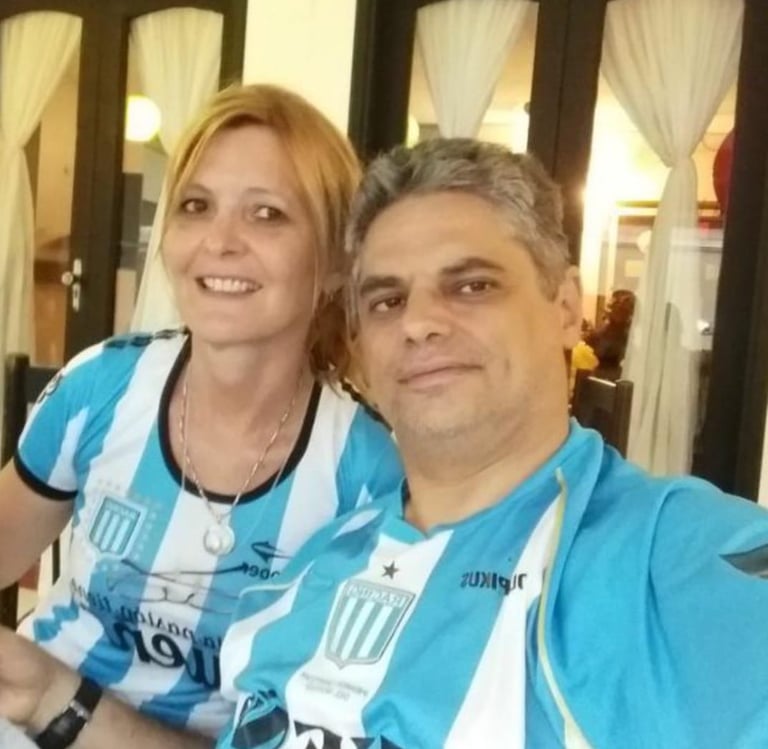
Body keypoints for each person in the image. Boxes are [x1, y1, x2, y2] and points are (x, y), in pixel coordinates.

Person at [208, 139, 768, 749]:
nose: (419, 322)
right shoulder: (315, 564)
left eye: (472, 286)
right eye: (388, 301)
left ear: (565, 308)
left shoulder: (671, 559)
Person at [0, 83, 401, 747]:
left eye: (267, 214)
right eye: (195, 206)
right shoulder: (101, 387)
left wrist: (60, 701)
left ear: (336, 262)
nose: (219, 241)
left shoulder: (367, 477)